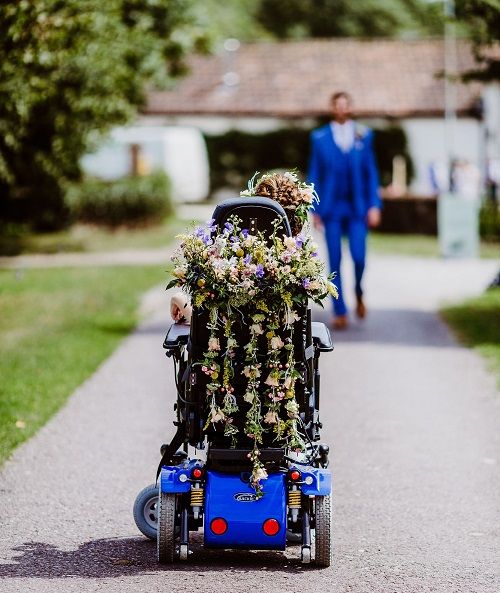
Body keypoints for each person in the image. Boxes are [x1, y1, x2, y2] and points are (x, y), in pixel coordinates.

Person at [307, 91, 381, 329]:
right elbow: (315, 174)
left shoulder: (363, 134)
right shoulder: (319, 137)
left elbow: (371, 173)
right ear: (331, 108)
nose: (340, 109)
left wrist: (374, 206)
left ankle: (359, 291)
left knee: (359, 257)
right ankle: (339, 310)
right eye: (336, 105)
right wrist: (314, 209)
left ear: (350, 107)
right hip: (332, 208)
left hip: (357, 207)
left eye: (344, 105)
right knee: (335, 260)